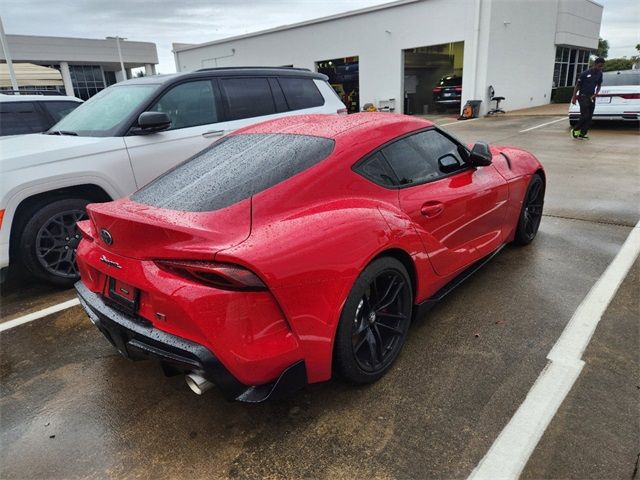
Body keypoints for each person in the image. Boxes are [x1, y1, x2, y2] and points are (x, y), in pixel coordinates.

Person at [570, 57, 605, 140]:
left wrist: (596, 94)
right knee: (585, 115)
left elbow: (599, 85)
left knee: (589, 117)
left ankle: (582, 134)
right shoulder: (585, 74)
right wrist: (574, 97)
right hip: (583, 96)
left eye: (602, 66)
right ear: (595, 64)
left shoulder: (600, 73)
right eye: (599, 66)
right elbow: (577, 86)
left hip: (591, 97)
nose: (600, 68)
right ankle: (575, 130)